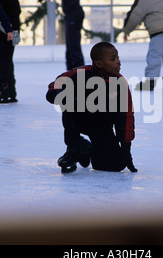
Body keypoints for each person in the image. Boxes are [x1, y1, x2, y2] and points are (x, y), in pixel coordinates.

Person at [46, 42, 137, 174]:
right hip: (80, 120)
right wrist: (58, 94)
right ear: (99, 63)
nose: (118, 62)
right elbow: (58, 82)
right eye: (113, 59)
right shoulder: (82, 73)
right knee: (69, 100)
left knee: (114, 166)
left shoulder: (120, 84)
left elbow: (126, 117)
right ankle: (73, 148)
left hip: (102, 127)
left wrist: (126, 149)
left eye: (118, 58)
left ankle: (86, 149)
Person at [24, 0, 85, 70]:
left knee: (73, 46)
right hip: (74, 14)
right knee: (71, 45)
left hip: (73, 14)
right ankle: (72, 72)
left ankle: (79, 74)